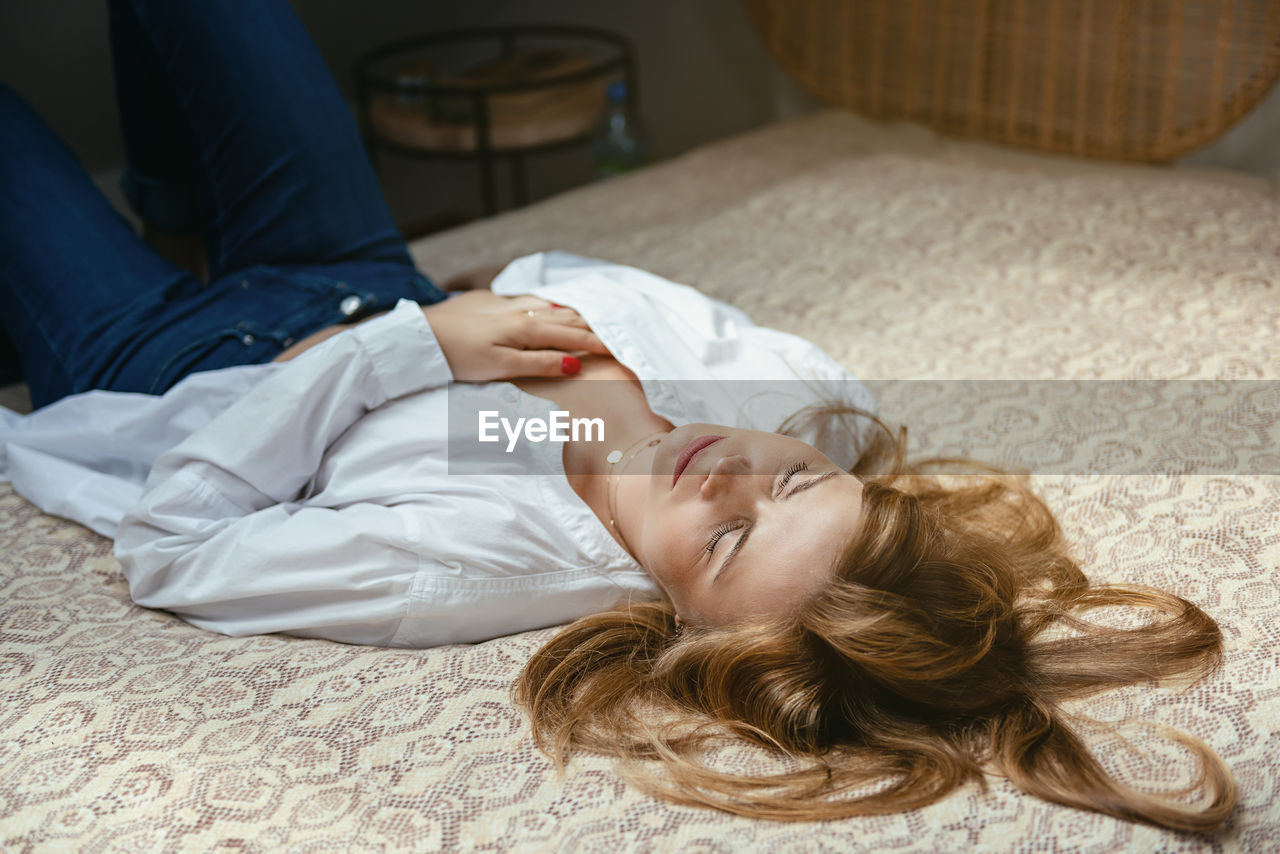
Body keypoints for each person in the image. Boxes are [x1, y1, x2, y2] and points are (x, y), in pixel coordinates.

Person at [0, 0, 1234, 832]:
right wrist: (450, 323)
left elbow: (175, 545)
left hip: (173, 367)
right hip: (357, 261)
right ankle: (174, 183)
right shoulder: (802, 410)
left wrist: (402, 351)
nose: (723, 476)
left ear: (692, 625)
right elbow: (589, 282)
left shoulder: (471, 564)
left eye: (726, 540)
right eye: (788, 482)